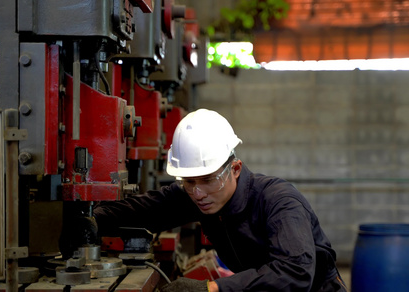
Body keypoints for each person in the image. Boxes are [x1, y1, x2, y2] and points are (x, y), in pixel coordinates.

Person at [92, 108, 347, 292]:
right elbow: (152, 208)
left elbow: (295, 273)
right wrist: (95, 220)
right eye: (188, 182)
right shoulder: (200, 194)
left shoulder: (279, 202)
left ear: (235, 168)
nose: (197, 193)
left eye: (207, 179)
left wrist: (212, 288)